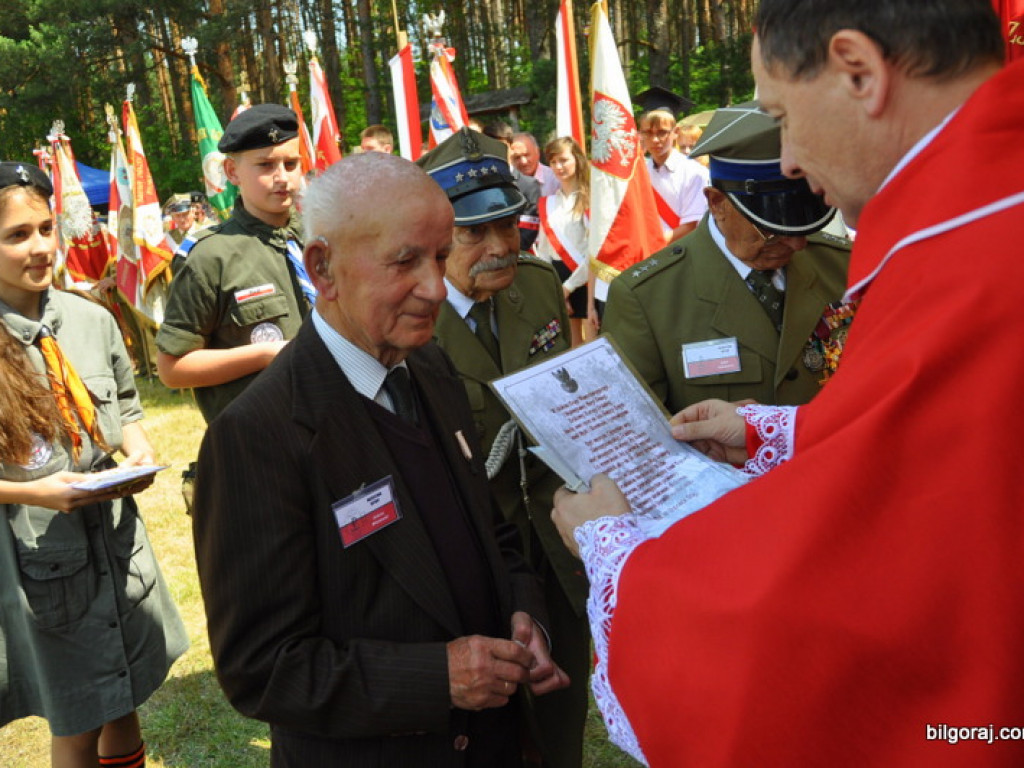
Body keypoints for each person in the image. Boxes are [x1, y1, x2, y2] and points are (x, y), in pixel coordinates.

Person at [553, 1, 1024, 765]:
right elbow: (937, 452)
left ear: (859, 71)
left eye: (783, 115)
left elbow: (840, 584)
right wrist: (778, 431)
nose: (793, 163)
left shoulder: (969, 254)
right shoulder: (975, 218)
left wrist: (619, 556)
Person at [192, 151, 569, 767]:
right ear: (324, 268)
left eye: (441, 256)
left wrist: (523, 609)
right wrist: (436, 678)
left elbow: (489, 530)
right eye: (404, 262)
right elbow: (261, 667)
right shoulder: (258, 435)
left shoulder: (427, 364)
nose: (436, 288)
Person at [0, 162, 187, 768]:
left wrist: (137, 449)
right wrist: (34, 493)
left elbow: (126, 407)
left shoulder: (91, 319)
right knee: (77, 719)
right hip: (43, 567)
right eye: (17, 235)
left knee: (126, 697)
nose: (40, 247)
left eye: (46, 228)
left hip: (116, 545)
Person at [420, 128, 591, 768]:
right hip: (465, 557)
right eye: (474, 233)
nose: (499, 247)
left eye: (508, 224)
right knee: (480, 733)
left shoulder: (539, 285)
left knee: (558, 722)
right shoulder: (411, 316)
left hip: (551, 544)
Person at [602, 102, 852, 414]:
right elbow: (641, 434)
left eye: (806, 223)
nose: (798, 244)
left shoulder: (845, 266)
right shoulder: (647, 298)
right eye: (772, 229)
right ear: (717, 203)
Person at [156, 103, 312, 424]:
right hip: (264, 437)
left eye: (291, 163)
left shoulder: (325, 237)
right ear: (232, 172)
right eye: (265, 165)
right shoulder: (211, 257)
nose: (282, 177)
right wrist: (266, 355)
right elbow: (172, 369)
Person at [533, 136, 591, 347]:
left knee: (596, 340)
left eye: (564, 160)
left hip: (587, 279)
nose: (558, 166)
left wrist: (567, 288)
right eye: (553, 162)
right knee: (572, 345)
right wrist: (556, 290)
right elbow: (545, 251)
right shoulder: (548, 203)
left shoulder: (591, 198)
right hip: (560, 280)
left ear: (576, 159)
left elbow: (594, 251)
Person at [638, 107, 709, 243]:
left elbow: (692, 225)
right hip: (647, 252)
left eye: (662, 132)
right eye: (648, 133)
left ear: (675, 133)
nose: (655, 140)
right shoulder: (640, 173)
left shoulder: (694, 173)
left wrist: (653, 245)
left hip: (682, 252)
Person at [484, 120, 543, 252]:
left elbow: (528, 231)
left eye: (501, 146)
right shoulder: (477, 183)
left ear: (511, 148)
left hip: (515, 256)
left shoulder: (529, 186)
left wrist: (504, 251)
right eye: (490, 146)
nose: (496, 151)